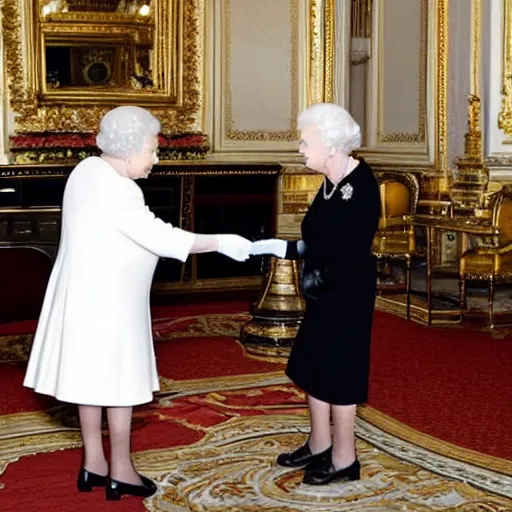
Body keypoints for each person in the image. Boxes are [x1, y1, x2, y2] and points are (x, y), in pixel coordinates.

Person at [23, 106, 252, 500]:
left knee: (90, 381)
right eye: (152, 149)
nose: (156, 158)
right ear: (130, 151)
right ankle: (121, 470)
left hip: (82, 298)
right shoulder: (120, 187)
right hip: (112, 304)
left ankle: (93, 463)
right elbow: (162, 238)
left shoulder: (86, 171)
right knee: (120, 384)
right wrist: (222, 241)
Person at [251, 103, 381, 485]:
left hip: (347, 293)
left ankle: (344, 459)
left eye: (307, 141)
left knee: (340, 372)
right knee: (313, 364)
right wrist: (278, 248)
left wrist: (314, 280)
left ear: (332, 144)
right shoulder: (330, 182)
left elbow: (349, 254)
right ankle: (320, 442)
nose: (301, 148)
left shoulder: (361, 187)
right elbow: (317, 241)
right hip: (326, 292)